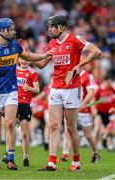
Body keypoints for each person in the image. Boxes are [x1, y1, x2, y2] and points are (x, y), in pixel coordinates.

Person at [0, 18, 54, 170]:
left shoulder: (15, 46)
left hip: (11, 91)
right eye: (11, 29)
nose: (14, 31)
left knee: (9, 123)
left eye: (14, 28)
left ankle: (10, 159)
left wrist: (44, 55)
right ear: (2, 31)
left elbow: (29, 57)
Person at [32, 15, 102, 171]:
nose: (49, 29)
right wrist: (27, 54)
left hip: (71, 89)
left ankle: (76, 163)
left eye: (52, 26)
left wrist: (80, 64)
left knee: (70, 129)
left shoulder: (75, 39)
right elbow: (42, 64)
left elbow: (96, 52)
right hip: (55, 88)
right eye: (48, 27)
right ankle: (51, 163)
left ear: (61, 27)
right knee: (54, 125)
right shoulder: (52, 43)